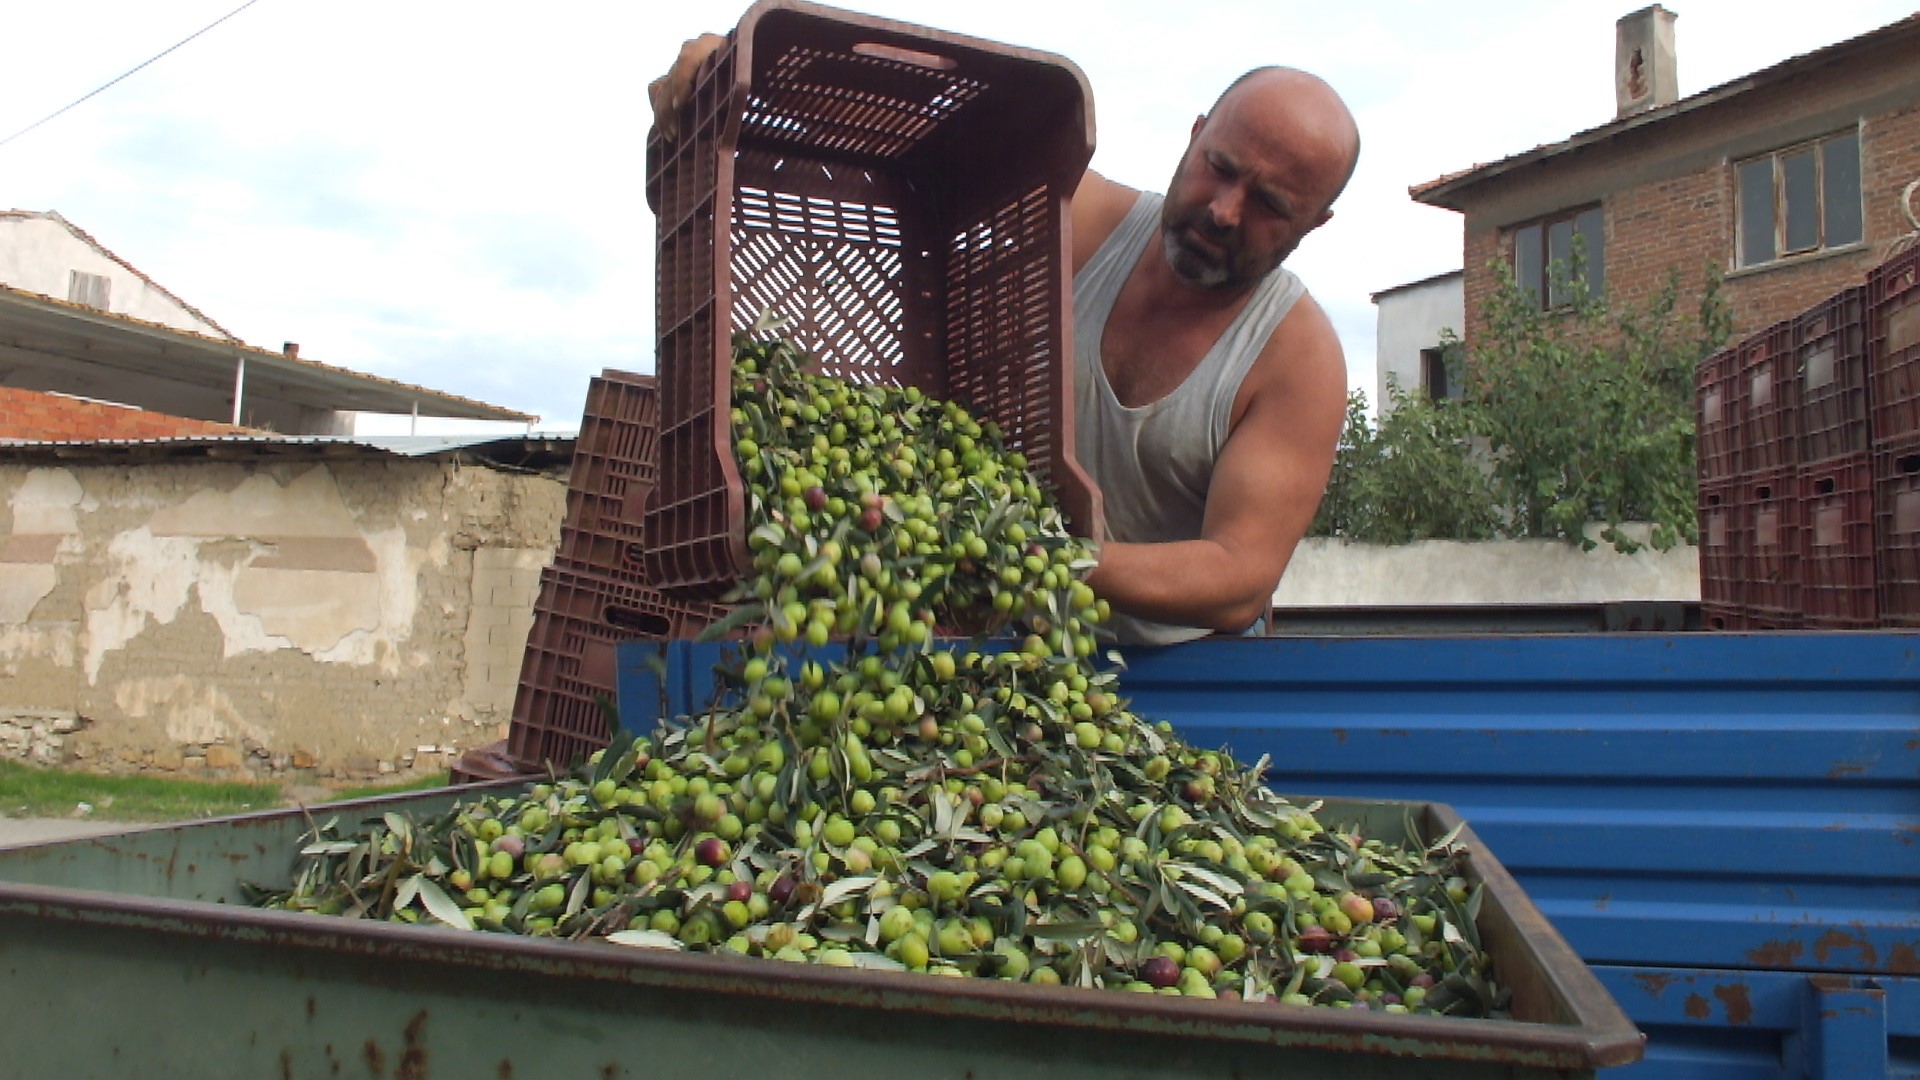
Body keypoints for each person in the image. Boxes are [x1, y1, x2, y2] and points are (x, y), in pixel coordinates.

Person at [650, 40, 1357, 647]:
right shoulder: (1081, 225)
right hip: (1010, 637)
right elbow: (941, 144)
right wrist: (746, 73)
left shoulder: (1295, 357)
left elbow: (1237, 574)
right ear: (1195, 133)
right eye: (1221, 167)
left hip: (1176, 669)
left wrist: (1031, 556)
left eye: (1269, 205)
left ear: (1317, 223)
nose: (1224, 210)